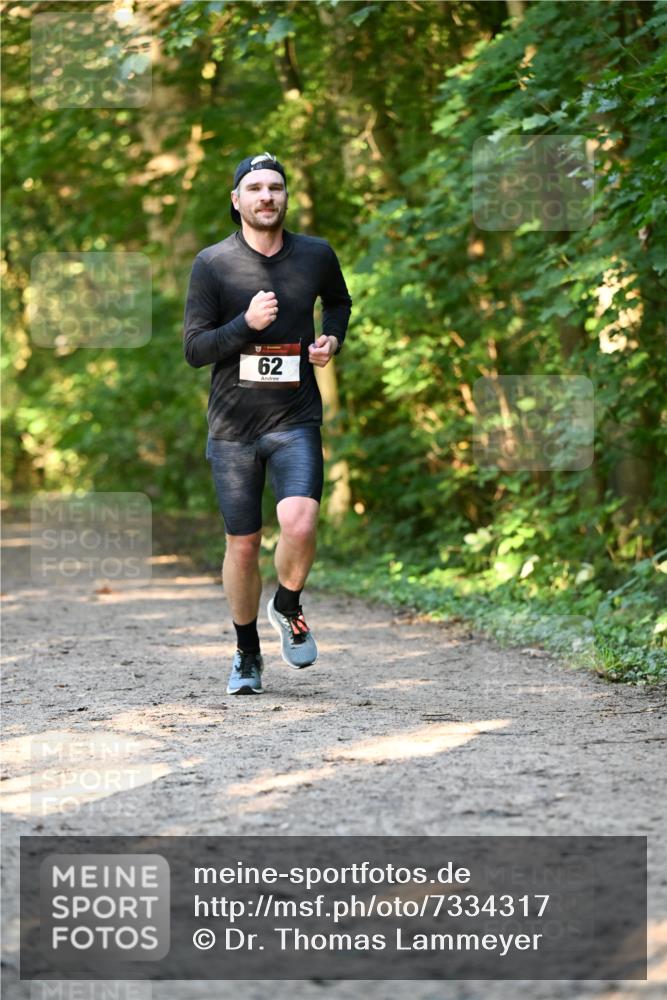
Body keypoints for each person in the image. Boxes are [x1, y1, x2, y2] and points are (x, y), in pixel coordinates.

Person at [183, 152, 352, 695]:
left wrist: (331, 340)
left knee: (300, 523)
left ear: (285, 197)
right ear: (237, 200)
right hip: (233, 428)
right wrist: (246, 324)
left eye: (275, 187)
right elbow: (195, 349)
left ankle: (288, 604)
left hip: (294, 417)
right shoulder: (213, 263)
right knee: (244, 545)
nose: (266, 196)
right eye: (255, 188)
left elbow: (339, 302)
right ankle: (246, 652)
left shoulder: (316, 254)